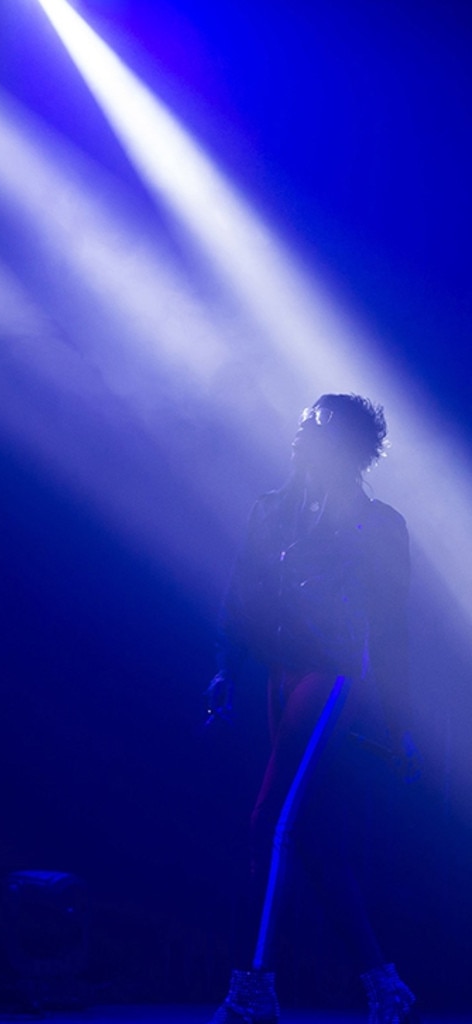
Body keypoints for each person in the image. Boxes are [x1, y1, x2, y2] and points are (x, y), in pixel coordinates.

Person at [207, 394, 419, 1024]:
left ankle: (252, 990)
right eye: (301, 423)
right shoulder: (272, 511)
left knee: (270, 822)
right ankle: (386, 988)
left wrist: (400, 723)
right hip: (279, 673)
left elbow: (391, 630)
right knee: (320, 840)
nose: (300, 434)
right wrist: (225, 670)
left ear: (349, 446)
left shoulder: (381, 526)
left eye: (316, 427)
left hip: (331, 682)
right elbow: (240, 596)